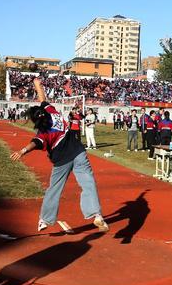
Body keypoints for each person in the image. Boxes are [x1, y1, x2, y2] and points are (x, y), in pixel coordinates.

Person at [10, 77, 109, 233]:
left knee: (54, 189)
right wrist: (37, 85)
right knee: (88, 182)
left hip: (62, 160)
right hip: (78, 152)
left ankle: (45, 219)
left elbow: (34, 143)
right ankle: (96, 214)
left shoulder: (43, 133)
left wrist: (22, 151)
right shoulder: (52, 112)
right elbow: (43, 99)